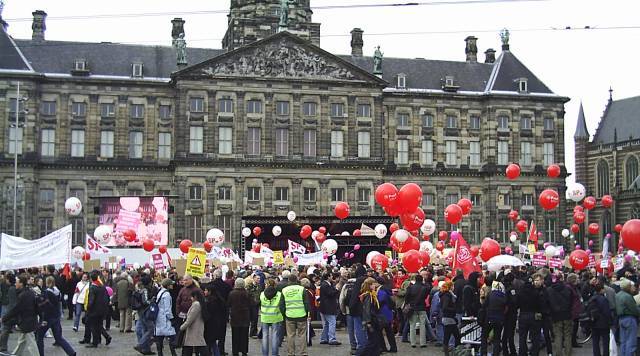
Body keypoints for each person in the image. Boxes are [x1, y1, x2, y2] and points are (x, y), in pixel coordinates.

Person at [35, 276, 76, 356]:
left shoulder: (46, 292)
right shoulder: (57, 291)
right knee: (59, 337)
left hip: (48, 317)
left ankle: (40, 354)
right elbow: (61, 302)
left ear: (48, 282)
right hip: (56, 316)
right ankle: (71, 352)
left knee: (39, 337)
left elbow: (45, 305)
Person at [1, 275, 39, 356]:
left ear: (21, 283)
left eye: (17, 282)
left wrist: (4, 318)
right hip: (30, 320)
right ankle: (15, 354)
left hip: (27, 321)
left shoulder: (23, 295)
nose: (15, 284)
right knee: (21, 341)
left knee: (31, 344)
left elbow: (16, 309)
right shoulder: (29, 292)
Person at [517, 273, 546, 356]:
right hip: (534, 315)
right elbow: (541, 304)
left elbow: (517, 304)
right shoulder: (536, 292)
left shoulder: (521, 292)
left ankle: (522, 353)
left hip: (523, 315)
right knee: (535, 337)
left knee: (522, 337)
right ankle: (534, 352)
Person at [543, 272, 572, 356]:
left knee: (558, 335)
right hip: (567, 314)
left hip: (555, 315)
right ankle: (568, 353)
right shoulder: (567, 288)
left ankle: (558, 353)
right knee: (567, 336)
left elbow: (547, 303)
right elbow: (571, 301)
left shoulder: (549, 290)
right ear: (562, 278)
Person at [280, 274, 309, 356]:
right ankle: (303, 352)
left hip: (289, 315)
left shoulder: (284, 290)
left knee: (290, 335)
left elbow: (281, 305)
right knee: (302, 335)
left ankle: (291, 353)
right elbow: (306, 303)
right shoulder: (302, 289)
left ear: (289, 280)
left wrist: (284, 313)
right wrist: (307, 313)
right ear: (297, 280)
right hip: (301, 315)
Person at [82, 271, 111, 348]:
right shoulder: (102, 287)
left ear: (91, 279)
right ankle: (106, 337)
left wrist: (88, 308)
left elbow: (91, 300)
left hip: (94, 310)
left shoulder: (92, 288)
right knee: (99, 325)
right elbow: (106, 298)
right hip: (101, 309)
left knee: (93, 326)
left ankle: (95, 342)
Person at [480, 280, 506, 356]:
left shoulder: (490, 294)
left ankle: (483, 353)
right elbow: (506, 307)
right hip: (499, 319)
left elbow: (484, 306)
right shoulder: (503, 296)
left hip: (489, 319)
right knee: (497, 338)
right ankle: (496, 353)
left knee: (484, 336)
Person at [587, 281, 613, 356]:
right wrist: (610, 322)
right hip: (603, 323)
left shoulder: (592, 298)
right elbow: (607, 312)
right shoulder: (603, 299)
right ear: (601, 290)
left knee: (595, 341)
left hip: (594, 322)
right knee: (605, 342)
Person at [615, 278, 640, 356]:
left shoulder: (617, 295)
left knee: (623, 341)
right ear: (628, 287)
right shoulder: (628, 296)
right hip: (629, 319)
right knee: (631, 342)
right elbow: (635, 310)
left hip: (621, 319)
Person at [180, 289, 208, 356]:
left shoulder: (196, 305)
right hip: (197, 328)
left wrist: (182, 327)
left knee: (195, 346)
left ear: (195, 297)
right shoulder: (200, 303)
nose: (190, 298)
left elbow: (190, 319)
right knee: (197, 345)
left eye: (191, 297)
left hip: (194, 329)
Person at [259, 278, 283, 356]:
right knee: (275, 337)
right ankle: (274, 354)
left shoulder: (262, 294)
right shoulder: (279, 294)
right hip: (276, 316)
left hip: (265, 316)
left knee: (265, 336)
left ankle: (265, 354)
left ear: (267, 285)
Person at [405, 274, 429, 348]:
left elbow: (407, 298)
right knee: (422, 325)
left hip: (412, 308)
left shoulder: (410, 287)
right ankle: (423, 342)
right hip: (422, 307)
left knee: (412, 325)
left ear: (415, 279)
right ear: (422, 280)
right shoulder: (425, 287)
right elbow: (425, 296)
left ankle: (413, 343)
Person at [228, 278, 250, 356]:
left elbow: (229, 304)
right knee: (244, 335)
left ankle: (235, 351)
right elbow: (251, 304)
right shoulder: (247, 293)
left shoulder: (232, 293)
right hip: (245, 316)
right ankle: (244, 351)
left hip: (235, 316)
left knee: (235, 335)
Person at [155, 278, 177, 356]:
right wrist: (172, 318)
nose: (172, 285)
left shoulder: (160, 292)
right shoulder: (167, 294)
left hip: (159, 317)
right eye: (171, 284)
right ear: (168, 285)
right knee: (172, 337)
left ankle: (160, 353)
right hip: (165, 318)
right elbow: (167, 309)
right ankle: (173, 353)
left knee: (159, 337)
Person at [203, 283, 227, 356]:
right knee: (213, 343)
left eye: (206, 290)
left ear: (210, 291)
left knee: (208, 343)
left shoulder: (210, 301)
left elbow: (208, 314)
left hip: (210, 325)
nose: (204, 292)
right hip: (218, 324)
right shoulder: (219, 300)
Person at [376, 276, 397, 353]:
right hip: (388, 312)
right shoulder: (387, 289)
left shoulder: (381, 291)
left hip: (383, 313)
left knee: (379, 331)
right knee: (389, 332)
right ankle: (393, 347)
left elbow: (379, 301)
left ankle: (383, 348)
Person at [133, 276, 154, 355]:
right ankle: (141, 345)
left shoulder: (139, 288)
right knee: (151, 329)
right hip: (144, 311)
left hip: (140, 311)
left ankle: (146, 349)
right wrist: (151, 301)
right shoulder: (145, 290)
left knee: (144, 329)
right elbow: (145, 301)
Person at [319, 272, 340, 346]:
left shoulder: (325, 284)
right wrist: (337, 289)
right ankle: (332, 339)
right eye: (331, 276)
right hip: (328, 307)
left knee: (327, 324)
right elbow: (330, 294)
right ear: (328, 277)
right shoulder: (326, 285)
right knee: (332, 322)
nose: (332, 277)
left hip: (324, 307)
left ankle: (324, 338)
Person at [439, 281, 460, 356]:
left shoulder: (445, 295)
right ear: (450, 287)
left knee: (448, 336)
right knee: (455, 336)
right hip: (449, 318)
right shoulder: (447, 295)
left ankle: (450, 353)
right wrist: (454, 309)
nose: (453, 287)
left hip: (448, 318)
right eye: (453, 286)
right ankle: (455, 352)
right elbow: (445, 307)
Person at [339, 271, 357, 353]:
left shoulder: (346, 286)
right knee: (359, 328)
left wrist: (343, 311)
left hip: (348, 310)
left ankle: (353, 346)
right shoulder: (359, 284)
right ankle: (360, 344)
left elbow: (341, 299)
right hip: (358, 311)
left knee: (351, 330)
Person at [0, 274, 17, 352]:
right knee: (5, 329)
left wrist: (8, 315)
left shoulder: (11, 289)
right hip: (10, 309)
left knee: (5, 328)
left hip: (9, 309)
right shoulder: (14, 287)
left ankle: (3, 346)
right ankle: (2, 346)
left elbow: (12, 303)